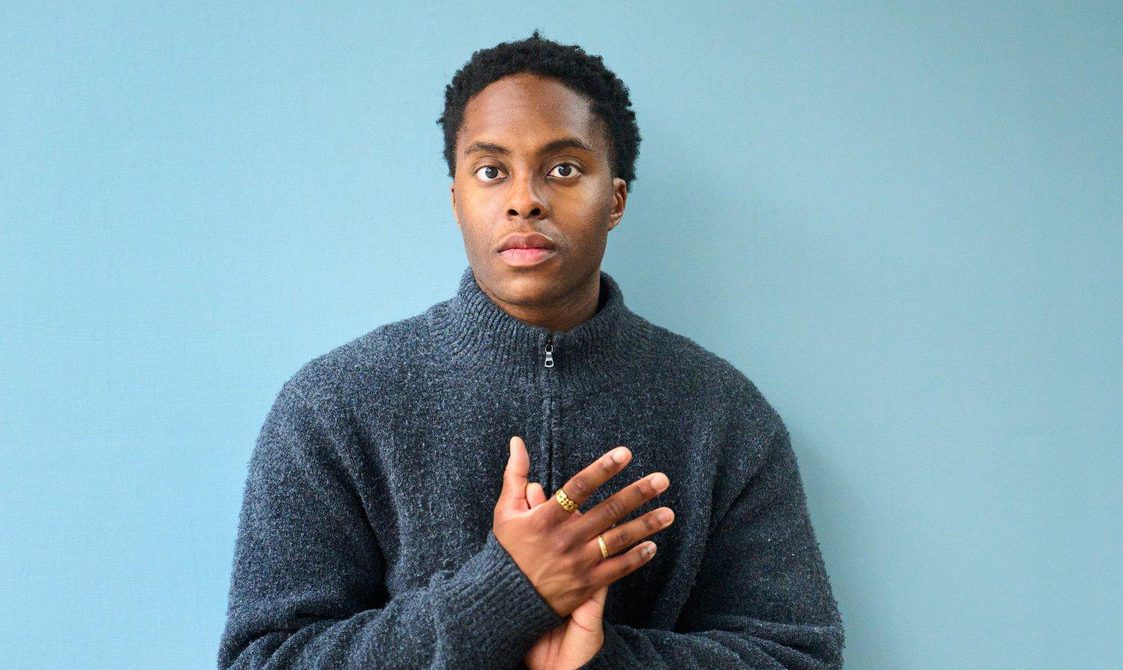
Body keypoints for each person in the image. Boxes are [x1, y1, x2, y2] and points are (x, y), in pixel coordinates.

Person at [218, 32, 844, 669]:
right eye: (491, 171)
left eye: (564, 169)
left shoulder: (724, 413)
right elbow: (264, 660)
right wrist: (501, 597)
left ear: (616, 201)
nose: (525, 200)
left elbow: (799, 657)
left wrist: (598, 663)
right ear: (457, 196)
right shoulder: (332, 405)